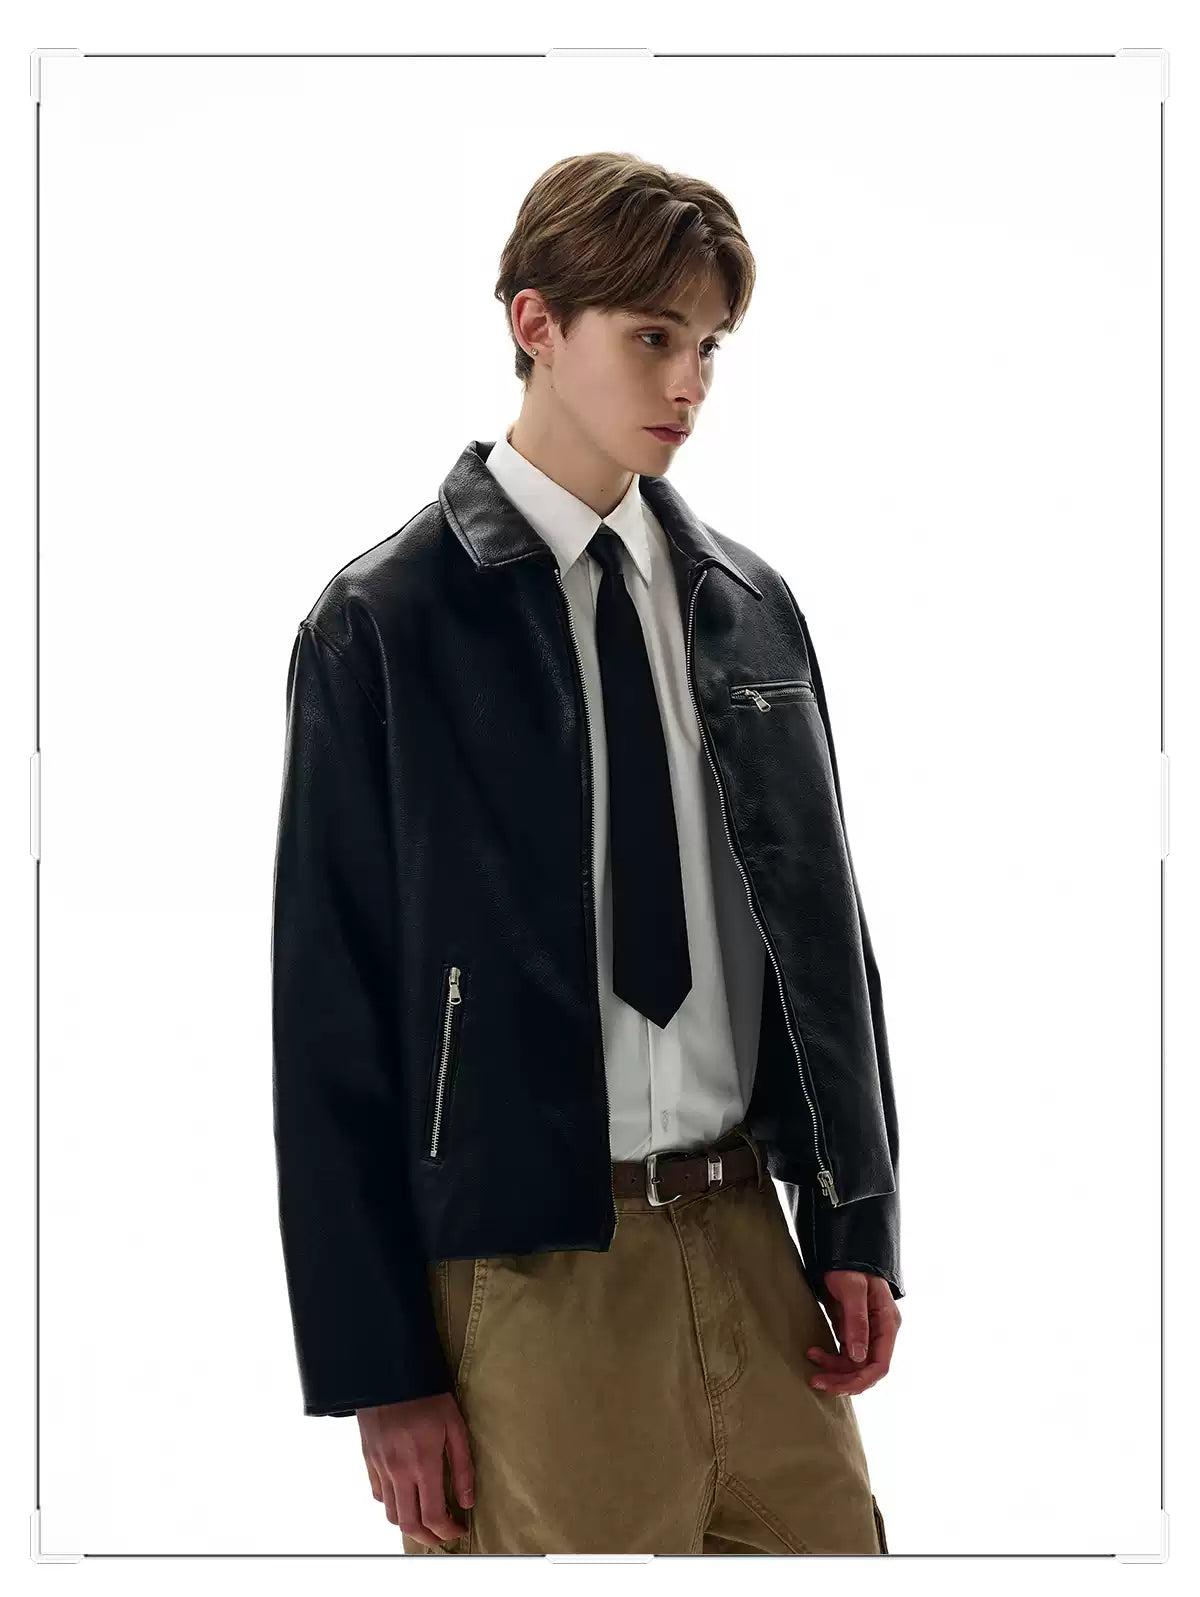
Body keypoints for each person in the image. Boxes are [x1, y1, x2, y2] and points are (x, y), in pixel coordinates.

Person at [270, 151, 903, 1557]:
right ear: (537, 323)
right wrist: (382, 1366)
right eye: (654, 337)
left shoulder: (744, 603)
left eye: (710, 347)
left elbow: (826, 938)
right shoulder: (386, 624)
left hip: (753, 1246)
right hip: (529, 1281)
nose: (690, 383)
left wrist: (856, 1218)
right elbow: (328, 1018)